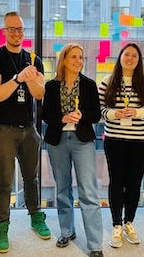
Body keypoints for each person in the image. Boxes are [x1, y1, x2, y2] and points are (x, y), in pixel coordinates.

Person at [0, 11, 50, 253]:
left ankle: (36, 217)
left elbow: (40, 94)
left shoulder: (33, 59)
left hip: (29, 128)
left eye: (20, 29)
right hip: (3, 129)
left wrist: (30, 77)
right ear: (4, 31)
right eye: (11, 29)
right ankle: (2, 227)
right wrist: (18, 77)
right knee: (6, 181)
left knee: (32, 178)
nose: (16, 33)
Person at [42, 43, 104, 257]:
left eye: (81, 57)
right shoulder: (51, 86)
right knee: (62, 188)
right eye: (74, 57)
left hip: (82, 140)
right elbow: (44, 115)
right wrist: (61, 118)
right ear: (64, 60)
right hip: (57, 140)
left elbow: (96, 114)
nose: (79, 60)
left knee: (88, 191)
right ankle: (67, 231)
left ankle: (95, 244)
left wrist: (81, 116)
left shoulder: (89, 84)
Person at [98, 42, 144, 248]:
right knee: (116, 182)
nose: (130, 58)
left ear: (138, 60)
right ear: (120, 57)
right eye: (127, 54)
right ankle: (116, 225)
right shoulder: (108, 81)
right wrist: (115, 114)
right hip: (115, 140)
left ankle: (129, 223)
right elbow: (99, 112)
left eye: (134, 55)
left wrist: (139, 112)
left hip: (140, 142)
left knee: (134, 183)